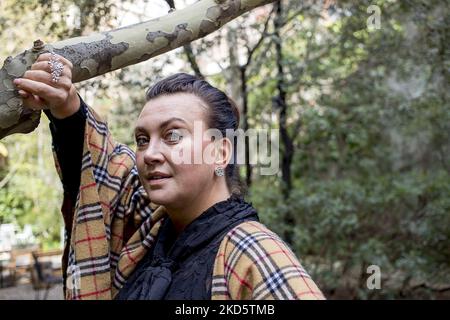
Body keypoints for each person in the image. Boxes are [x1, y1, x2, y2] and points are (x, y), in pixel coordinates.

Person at [13, 52, 325, 300]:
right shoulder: (148, 232)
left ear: (220, 152)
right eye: (142, 139)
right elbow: (100, 170)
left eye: (173, 136)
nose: (150, 154)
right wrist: (65, 102)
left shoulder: (252, 250)